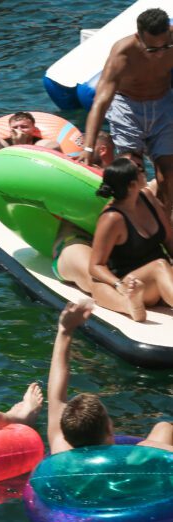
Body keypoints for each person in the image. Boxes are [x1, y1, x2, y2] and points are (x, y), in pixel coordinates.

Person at [47, 301, 173, 454]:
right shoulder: (134, 460)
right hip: (136, 467)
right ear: (109, 427)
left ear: (66, 435)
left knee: (163, 428)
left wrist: (64, 331)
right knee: (164, 429)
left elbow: (56, 396)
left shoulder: (59, 447)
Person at [79, 8, 173, 212]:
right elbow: (101, 102)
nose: (160, 54)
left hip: (163, 105)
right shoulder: (122, 52)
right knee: (130, 170)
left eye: (165, 46)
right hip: (127, 108)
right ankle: (128, 218)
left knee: (168, 174)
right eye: (152, 50)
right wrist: (88, 147)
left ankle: (165, 226)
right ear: (139, 37)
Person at [89, 157, 173, 321]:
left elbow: (169, 239)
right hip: (133, 283)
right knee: (160, 266)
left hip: (161, 279)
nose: (145, 173)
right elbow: (95, 265)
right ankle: (130, 303)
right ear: (132, 185)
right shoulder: (112, 218)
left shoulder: (147, 197)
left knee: (162, 267)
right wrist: (119, 285)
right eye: (141, 171)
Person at [51, 133, 116, 292]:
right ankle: (131, 305)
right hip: (76, 241)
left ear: (101, 150)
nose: (80, 152)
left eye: (85, 148)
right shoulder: (76, 175)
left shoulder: (127, 183)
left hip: (113, 254)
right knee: (96, 281)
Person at [0, 63, 60, 152]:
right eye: (15, 127)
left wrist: (20, 144)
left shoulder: (44, 145)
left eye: (24, 126)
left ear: (34, 129)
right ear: (10, 131)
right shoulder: (1, 146)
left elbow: (54, 148)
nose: (19, 130)